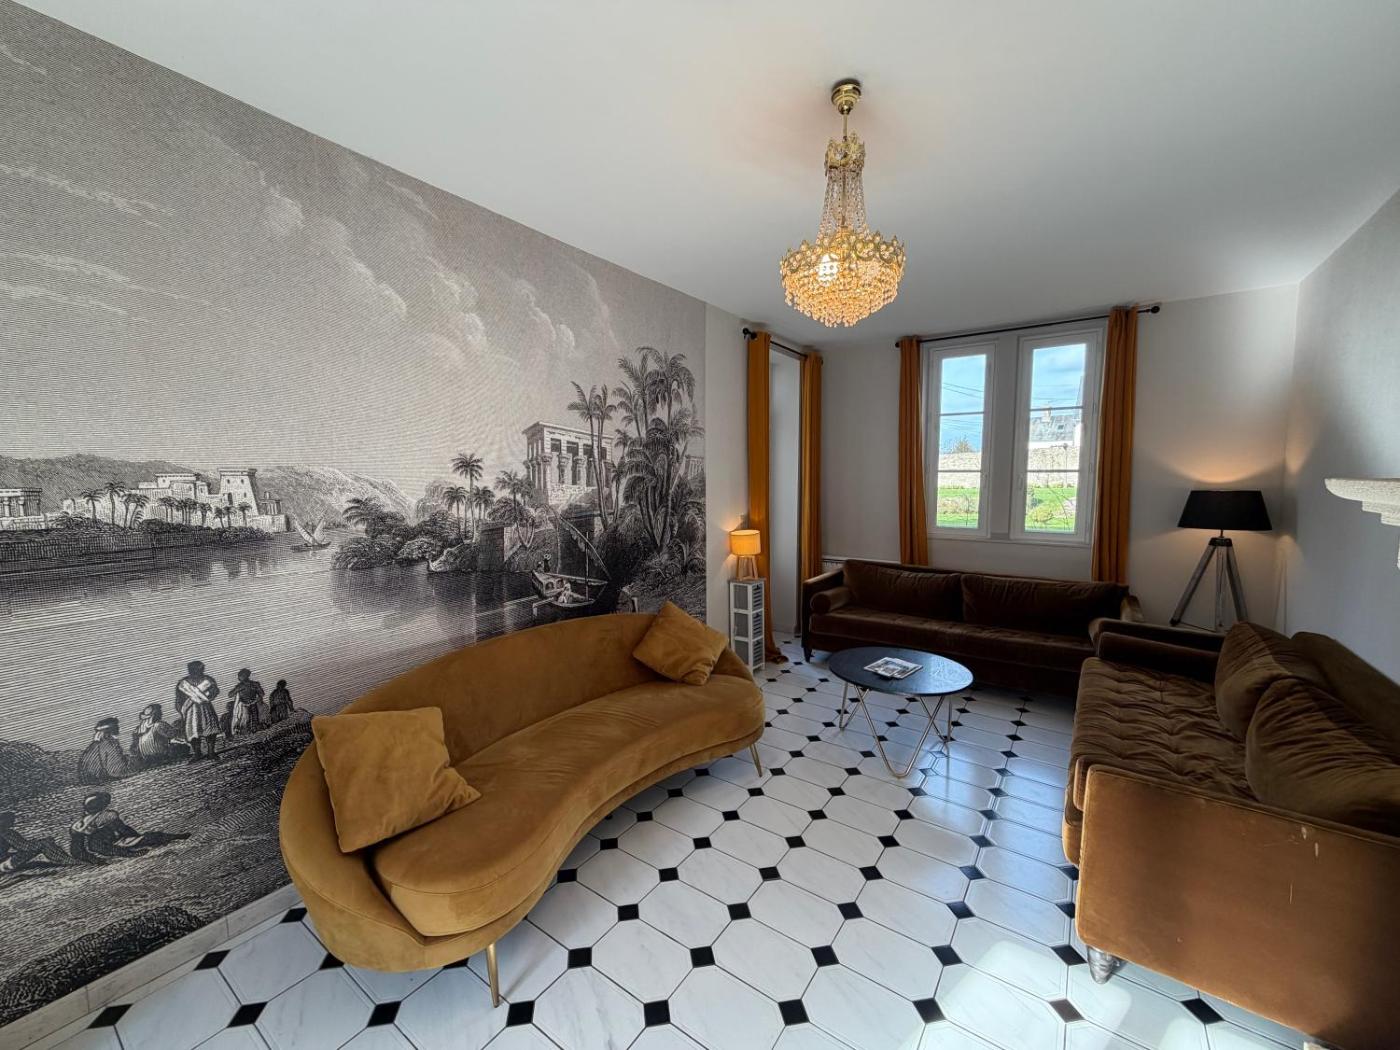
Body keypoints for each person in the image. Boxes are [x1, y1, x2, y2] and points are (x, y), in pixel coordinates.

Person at [68, 792, 190, 863]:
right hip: (100, 845)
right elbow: (123, 829)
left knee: (137, 840)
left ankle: (172, 837)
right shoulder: (106, 816)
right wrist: (136, 838)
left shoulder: (80, 823)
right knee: (138, 841)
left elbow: (77, 847)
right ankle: (132, 853)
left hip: (96, 845)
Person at [0, 811, 81, 872]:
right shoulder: (6, 832)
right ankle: (67, 861)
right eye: (10, 820)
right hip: (3, 864)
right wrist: (43, 842)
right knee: (44, 844)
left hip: (3, 860)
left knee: (42, 844)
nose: (12, 822)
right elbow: (24, 846)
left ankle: (65, 859)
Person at [175, 660, 220, 762]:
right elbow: (178, 698)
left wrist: (206, 696)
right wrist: (181, 710)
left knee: (210, 730)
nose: (198, 671)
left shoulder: (208, 680)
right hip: (190, 710)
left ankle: (211, 753)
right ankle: (197, 753)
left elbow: (215, 691)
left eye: (200, 669)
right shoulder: (183, 683)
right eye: (195, 669)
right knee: (192, 732)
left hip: (205, 708)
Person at [77, 717, 130, 783]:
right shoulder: (108, 744)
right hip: (99, 780)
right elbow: (114, 771)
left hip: (88, 779)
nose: (119, 729)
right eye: (117, 727)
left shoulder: (96, 744)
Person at [227, 668, 265, 736]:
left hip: (245, 706)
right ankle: (253, 732)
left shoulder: (240, 686)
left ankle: (251, 733)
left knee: (247, 720)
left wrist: (239, 689)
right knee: (253, 719)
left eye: (239, 676)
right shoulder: (255, 684)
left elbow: (230, 695)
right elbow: (262, 694)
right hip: (252, 704)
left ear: (244, 676)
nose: (238, 678)